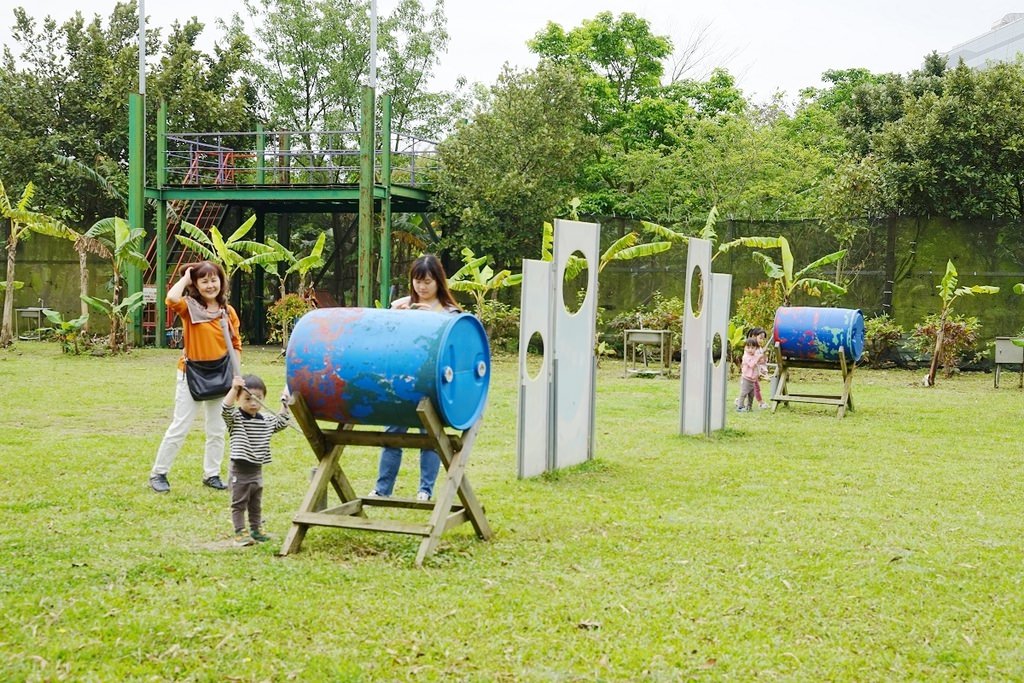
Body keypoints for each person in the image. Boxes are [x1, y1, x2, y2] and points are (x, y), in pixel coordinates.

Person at [369, 254, 462, 501]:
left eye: (428, 281)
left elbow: (454, 343)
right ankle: (382, 489)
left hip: (432, 383)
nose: (421, 287)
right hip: (402, 380)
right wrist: (397, 313)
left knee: (428, 435)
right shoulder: (404, 305)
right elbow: (388, 336)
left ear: (439, 282)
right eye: (417, 281)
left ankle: (425, 490)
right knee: (392, 432)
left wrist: (430, 316)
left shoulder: (450, 313)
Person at [149, 261, 242, 493]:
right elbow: (170, 299)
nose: (210, 285)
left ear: (221, 282)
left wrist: (237, 377)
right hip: (192, 374)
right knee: (180, 425)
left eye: (214, 280)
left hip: (221, 374)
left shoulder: (227, 312)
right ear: (196, 284)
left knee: (217, 428)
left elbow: (236, 345)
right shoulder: (189, 308)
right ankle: (159, 473)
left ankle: (211, 474)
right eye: (204, 280)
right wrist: (186, 278)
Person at [222, 374, 291, 547]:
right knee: (239, 503)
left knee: (255, 503)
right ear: (238, 399)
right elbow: (225, 409)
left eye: (258, 399)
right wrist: (234, 388)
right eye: (248, 399)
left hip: (256, 470)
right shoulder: (236, 419)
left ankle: (256, 528)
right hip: (240, 469)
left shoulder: (266, 420)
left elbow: (281, 423)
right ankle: (240, 532)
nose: (253, 403)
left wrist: (285, 404)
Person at [735, 336, 762, 412]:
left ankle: (749, 407)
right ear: (745, 348)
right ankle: (740, 406)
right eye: (748, 347)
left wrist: (761, 357)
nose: (750, 349)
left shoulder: (754, 356)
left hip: (753, 379)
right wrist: (757, 358)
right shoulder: (746, 356)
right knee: (744, 392)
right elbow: (752, 365)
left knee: (751, 394)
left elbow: (759, 362)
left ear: (756, 348)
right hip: (746, 378)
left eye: (753, 347)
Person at [749, 327, 770, 408]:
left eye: (763, 339)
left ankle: (740, 400)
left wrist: (764, 356)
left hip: (756, 373)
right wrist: (760, 357)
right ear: (754, 337)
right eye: (760, 338)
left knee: (750, 389)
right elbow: (754, 361)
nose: (762, 340)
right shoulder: (752, 349)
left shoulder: (760, 348)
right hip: (751, 374)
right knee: (755, 388)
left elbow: (763, 361)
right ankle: (761, 403)